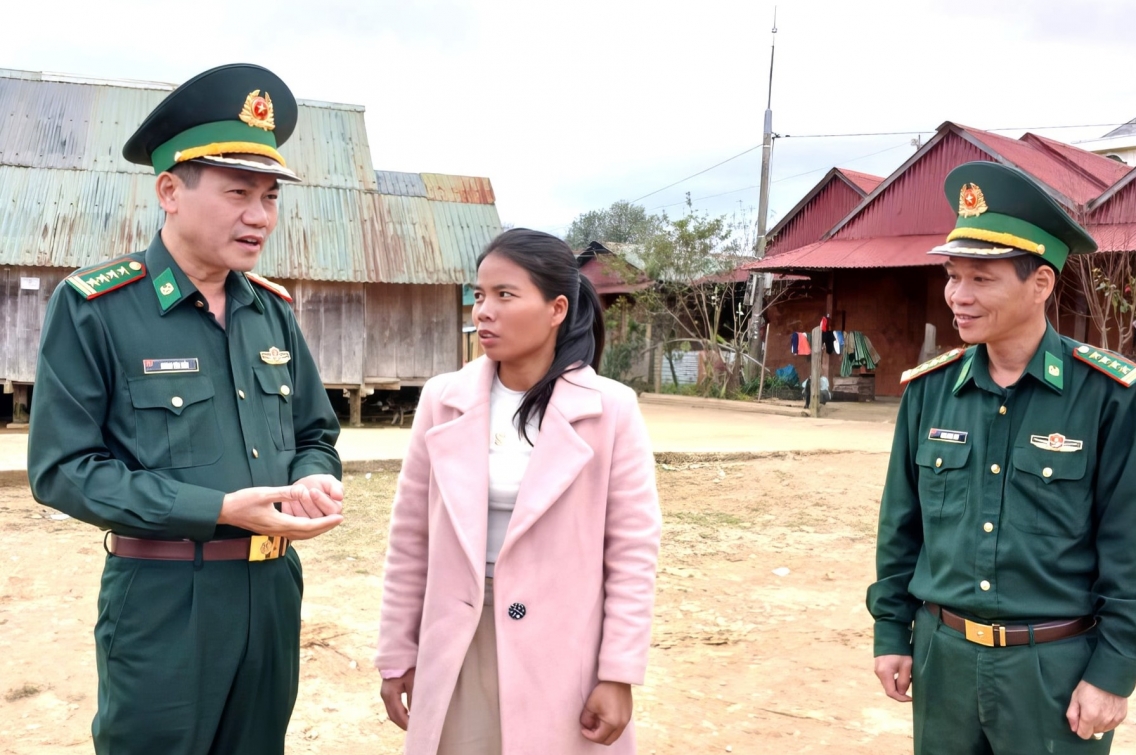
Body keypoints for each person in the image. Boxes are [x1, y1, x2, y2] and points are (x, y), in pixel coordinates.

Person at [27, 64, 344, 755]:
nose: (260, 216)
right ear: (169, 190)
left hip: (271, 589)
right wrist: (217, 508)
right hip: (165, 599)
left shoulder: (273, 312)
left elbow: (315, 431)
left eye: (269, 197)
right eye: (238, 193)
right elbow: (64, 470)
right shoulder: (97, 308)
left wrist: (316, 475)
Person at [866, 161, 1136, 754]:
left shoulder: (1109, 395)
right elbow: (901, 528)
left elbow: (1132, 546)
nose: (958, 296)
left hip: (1051, 670)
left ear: (1042, 283)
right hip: (942, 659)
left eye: (981, 278)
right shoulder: (930, 390)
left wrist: (1113, 673)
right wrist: (890, 631)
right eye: (953, 276)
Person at [376, 229, 661, 754]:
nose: (484, 311)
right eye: (480, 295)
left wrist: (618, 672)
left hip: (566, 648)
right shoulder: (444, 400)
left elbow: (632, 551)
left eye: (505, 295)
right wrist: (397, 652)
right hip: (458, 640)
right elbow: (411, 537)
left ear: (556, 308)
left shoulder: (610, 409)